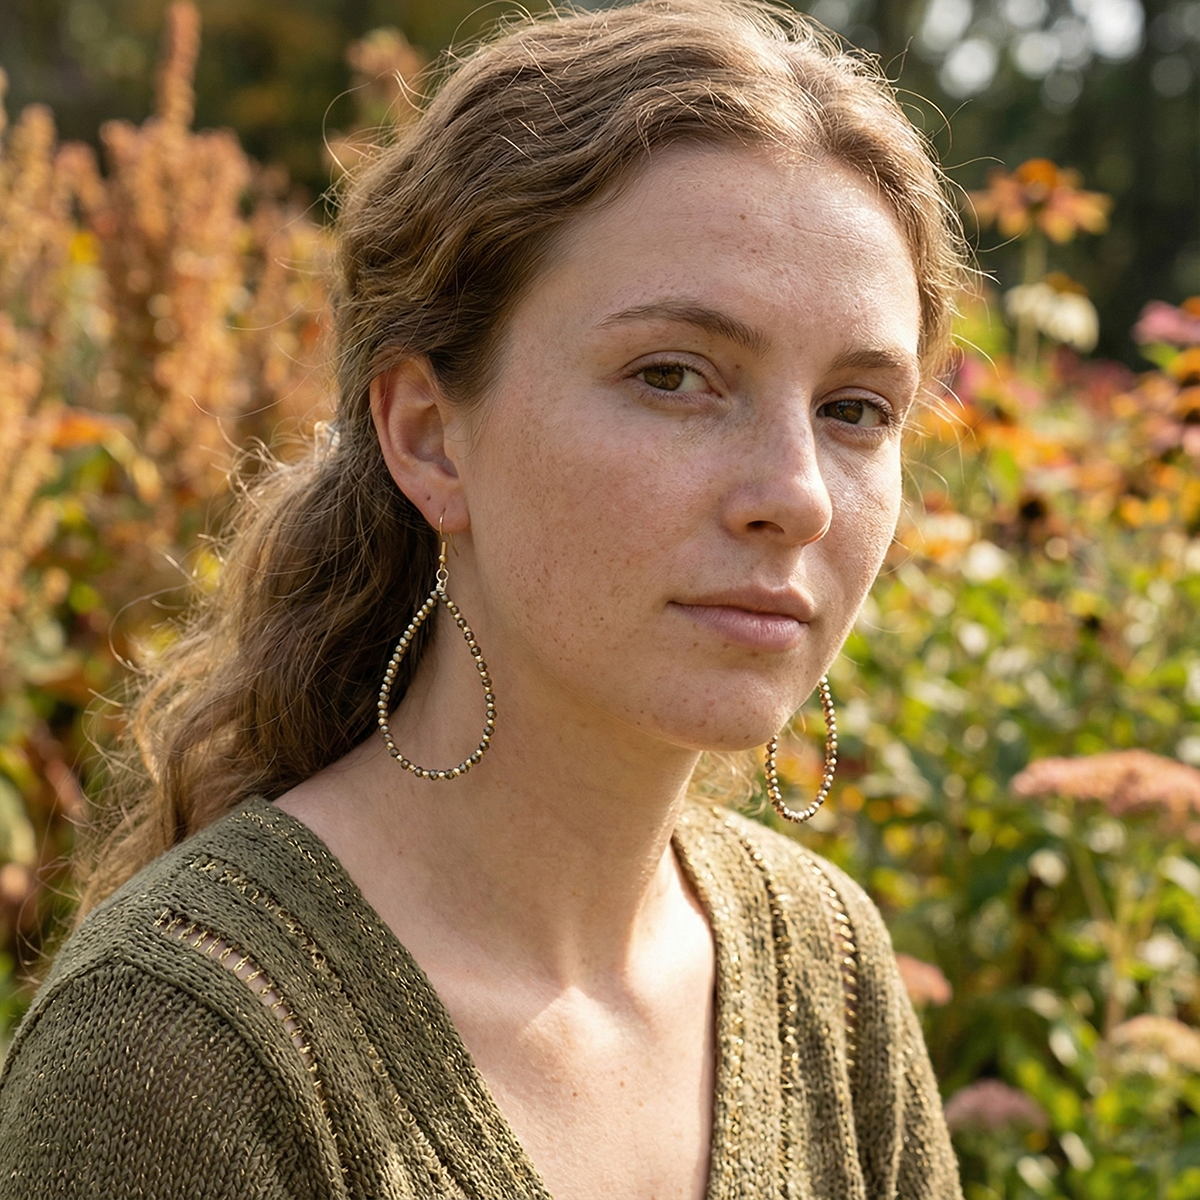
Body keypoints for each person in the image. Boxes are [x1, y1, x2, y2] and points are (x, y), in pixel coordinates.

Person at [0, 1, 967, 1196]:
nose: (799, 496)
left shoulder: (826, 970)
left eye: (856, 408)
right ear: (429, 437)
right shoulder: (183, 1053)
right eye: (674, 376)